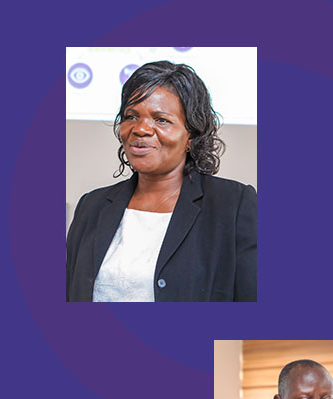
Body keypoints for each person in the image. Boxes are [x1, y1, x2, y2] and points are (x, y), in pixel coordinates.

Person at [66, 61, 256, 302]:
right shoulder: (91, 206)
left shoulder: (234, 205)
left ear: (191, 135)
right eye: (131, 116)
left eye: (161, 120)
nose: (141, 129)